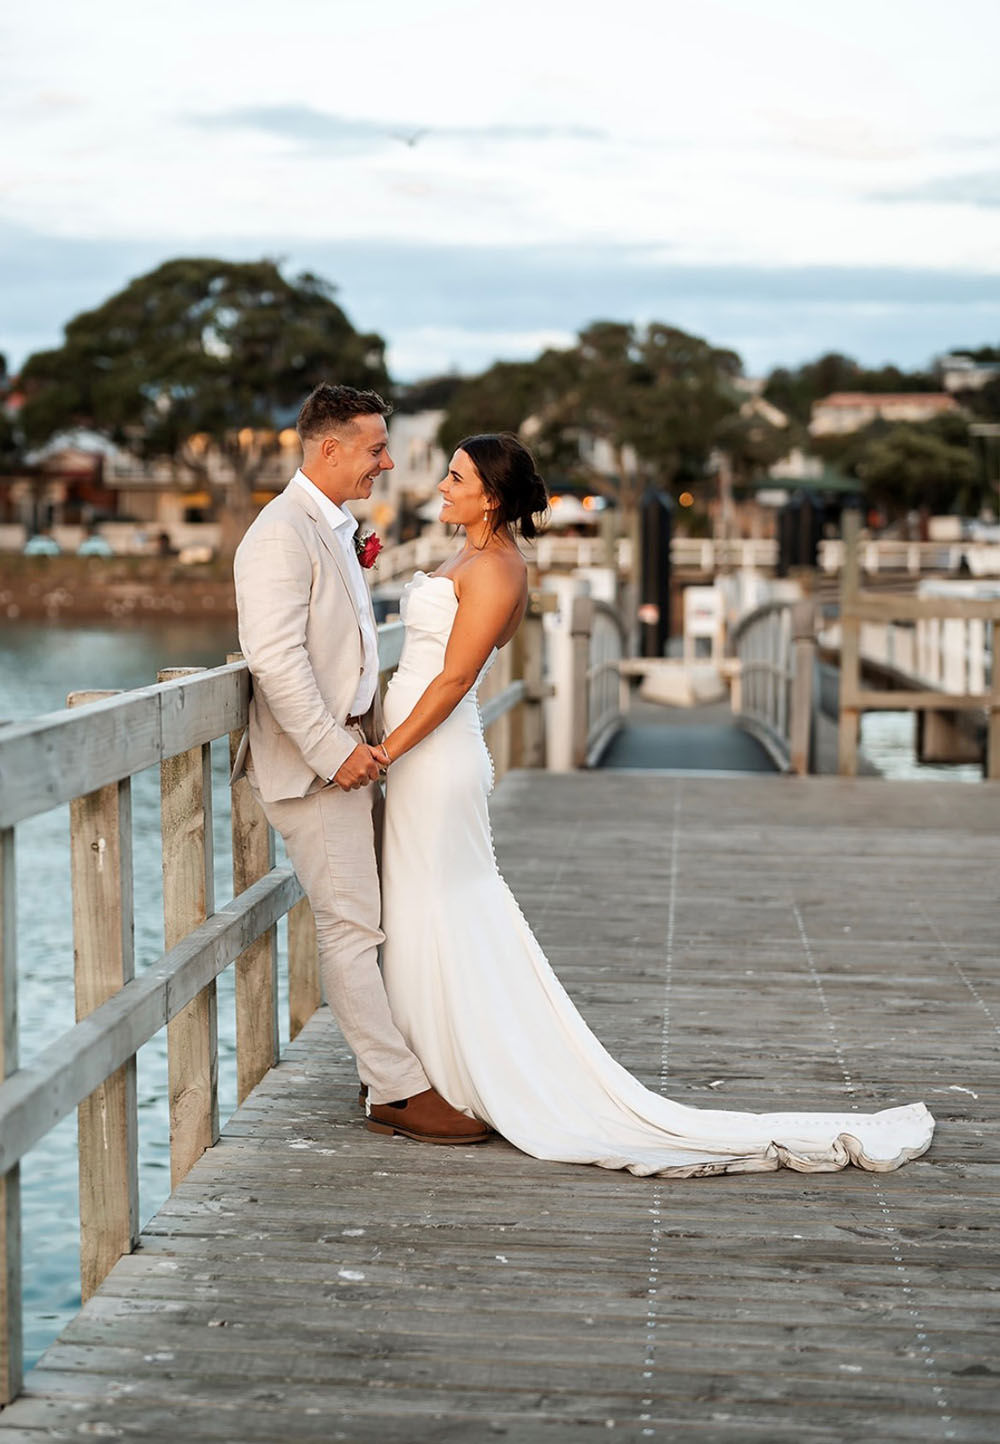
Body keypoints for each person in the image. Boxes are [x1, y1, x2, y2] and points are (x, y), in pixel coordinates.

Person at [376, 433, 935, 1176]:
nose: (441, 485)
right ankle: (417, 1069)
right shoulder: (464, 556)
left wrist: (384, 752)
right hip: (416, 756)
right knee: (416, 905)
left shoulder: (504, 568)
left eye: (456, 476)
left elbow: (452, 683)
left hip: (433, 756)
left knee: (448, 903)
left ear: (493, 496)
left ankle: (461, 1070)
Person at [232, 383, 488, 1147]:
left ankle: (401, 1067)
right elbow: (274, 660)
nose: (389, 461)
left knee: (369, 921)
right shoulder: (280, 534)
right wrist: (335, 753)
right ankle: (394, 1089)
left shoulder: (330, 527)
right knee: (349, 928)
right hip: (315, 766)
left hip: (355, 752)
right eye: (376, 448)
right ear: (328, 448)